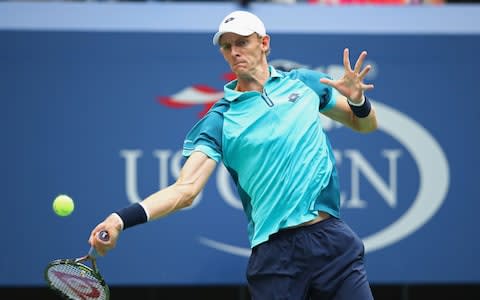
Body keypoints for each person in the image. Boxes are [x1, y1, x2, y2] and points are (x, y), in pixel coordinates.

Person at [89, 10, 378, 300]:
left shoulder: (305, 84)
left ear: (264, 43)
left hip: (331, 242)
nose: (234, 51)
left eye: (242, 42)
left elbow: (364, 125)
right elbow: (185, 190)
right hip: (276, 258)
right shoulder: (221, 119)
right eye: (227, 46)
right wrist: (120, 219)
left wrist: (358, 101)